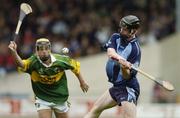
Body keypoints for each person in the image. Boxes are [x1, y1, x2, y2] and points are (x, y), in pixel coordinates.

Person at [8, 38, 89, 118]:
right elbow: (21, 64)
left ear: (50, 49)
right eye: (41, 49)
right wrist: (14, 52)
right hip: (42, 98)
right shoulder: (33, 62)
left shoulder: (60, 60)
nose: (44, 51)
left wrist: (82, 82)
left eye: (46, 49)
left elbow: (75, 67)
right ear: (37, 51)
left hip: (60, 97)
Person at [84, 15, 141, 118]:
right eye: (121, 27)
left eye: (125, 29)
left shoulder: (135, 50)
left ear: (133, 31)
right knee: (96, 109)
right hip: (117, 86)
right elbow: (110, 52)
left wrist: (124, 68)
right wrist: (121, 60)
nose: (121, 30)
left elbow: (127, 77)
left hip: (128, 89)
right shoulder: (116, 37)